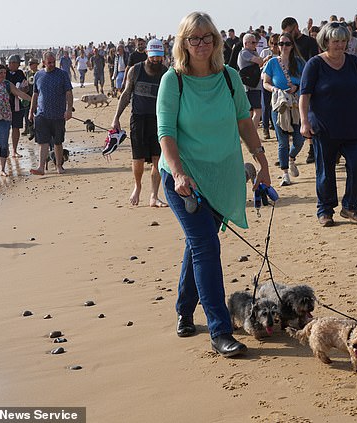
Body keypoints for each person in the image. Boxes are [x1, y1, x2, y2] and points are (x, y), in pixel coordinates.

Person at [156, 12, 270, 357]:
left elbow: (243, 122)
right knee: (206, 245)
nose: (202, 44)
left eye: (207, 38)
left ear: (217, 41)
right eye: (194, 38)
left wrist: (262, 160)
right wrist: (177, 174)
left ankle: (183, 309)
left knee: (198, 245)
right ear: (183, 43)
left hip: (222, 176)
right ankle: (220, 330)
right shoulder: (172, 81)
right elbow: (166, 134)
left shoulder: (230, 78)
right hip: (184, 177)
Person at [299, 22, 357, 227]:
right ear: (326, 42)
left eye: (343, 41)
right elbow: (304, 96)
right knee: (325, 170)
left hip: (354, 124)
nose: (340, 45)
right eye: (335, 41)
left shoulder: (352, 62)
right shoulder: (314, 64)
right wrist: (304, 122)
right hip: (324, 127)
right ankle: (325, 209)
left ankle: (351, 206)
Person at [111, 39, 168, 207]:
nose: (156, 60)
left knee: (158, 158)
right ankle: (137, 186)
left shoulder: (166, 72)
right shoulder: (135, 71)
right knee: (138, 158)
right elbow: (126, 94)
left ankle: (154, 196)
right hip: (138, 118)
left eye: (159, 57)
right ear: (147, 54)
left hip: (158, 119)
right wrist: (116, 118)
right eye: (153, 57)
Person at [263, 32, 305, 187]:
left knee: (299, 139)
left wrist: (297, 87)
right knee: (282, 141)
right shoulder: (272, 63)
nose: (284, 47)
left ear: (292, 45)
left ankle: (291, 158)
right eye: (281, 44)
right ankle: (285, 173)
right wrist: (274, 89)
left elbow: (306, 81)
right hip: (279, 105)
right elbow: (266, 82)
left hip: (295, 104)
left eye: (287, 44)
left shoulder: (299, 63)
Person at [281, 17, 320, 164]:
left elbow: (313, 60)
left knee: (308, 116)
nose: (289, 35)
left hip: (307, 83)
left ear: (296, 27)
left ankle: (312, 150)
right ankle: (286, 155)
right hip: (290, 88)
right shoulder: (287, 42)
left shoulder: (309, 42)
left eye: (291, 31)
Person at [28, 51, 74, 175]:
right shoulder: (38, 75)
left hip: (58, 114)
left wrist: (69, 109)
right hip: (42, 115)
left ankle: (59, 166)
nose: (52, 64)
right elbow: (35, 94)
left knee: (58, 142)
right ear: (43, 62)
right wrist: (31, 111)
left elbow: (69, 92)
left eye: (54, 62)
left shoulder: (62, 74)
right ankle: (41, 167)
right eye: (49, 62)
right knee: (43, 142)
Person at [237, 33, 266, 132]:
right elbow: (259, 61)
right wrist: (260, 58)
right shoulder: (244, 52)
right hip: (250, 87)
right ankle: (252, 133)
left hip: (253, 86)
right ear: (246, 43)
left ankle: (247, 132)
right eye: (253, 43)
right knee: (257, 111)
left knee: (250, 112)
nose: (255, 45)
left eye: (256, 42)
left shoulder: (250, 52)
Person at [6, 55, 29, 158]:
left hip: (18, 104)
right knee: (5, 128)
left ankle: (14, 150)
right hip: (5, 105)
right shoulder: (3, 72)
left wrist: (23, 89)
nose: (19, 64)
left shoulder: (20, 73)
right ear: (11, 63)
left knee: (16, 127)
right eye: (17, 63)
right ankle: (5, 150)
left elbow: (26, 87)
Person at [259, 33, 280, 140]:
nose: (274, 46)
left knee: (277, 106)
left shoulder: (282, 53)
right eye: (272, 43)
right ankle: (265, 128)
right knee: (266, 105)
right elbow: (259, 66)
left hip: (277, 83)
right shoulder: (265, 52)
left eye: (276, 43)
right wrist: (265, 61)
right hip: (266, 81)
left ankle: (278, 129)